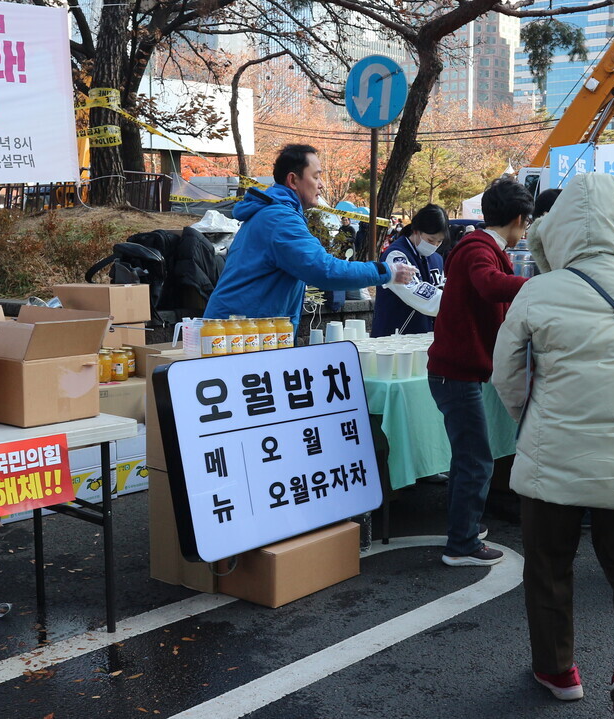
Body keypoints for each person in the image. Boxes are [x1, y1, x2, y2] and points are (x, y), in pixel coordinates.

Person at [492, 173, 614, 717]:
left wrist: (531, 416)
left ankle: (559, 670)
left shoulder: (538, 290)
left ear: (559, 227)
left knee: (547, 562)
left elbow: (506, 373)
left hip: (552, 452)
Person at [427, 178, 531, 567]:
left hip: (455, 371)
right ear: (520, 218)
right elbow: (490, 286)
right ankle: (462, 544)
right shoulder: (478, 249)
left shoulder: (478, 246)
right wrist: (541, 286)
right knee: (476, 459)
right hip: (456, 373)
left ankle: (463, 526)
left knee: (467, 456)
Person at [205, 144, 416, 327]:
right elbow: (325, 270)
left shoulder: (274, 213)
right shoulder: (280, 219)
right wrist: (386, 272)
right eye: (316, 177)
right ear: (293, 181)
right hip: (242, 333)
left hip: (243, 327)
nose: (321, 184)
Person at [371, 204, 447, 337]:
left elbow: (441, 288)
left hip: (425, 334)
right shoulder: (396, 255)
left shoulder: (437, 259)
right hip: (394, 336)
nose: (434, 245)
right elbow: (413, 291)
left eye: (439, 241)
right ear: (416, 230)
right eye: (431, 240)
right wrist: (455, 302)